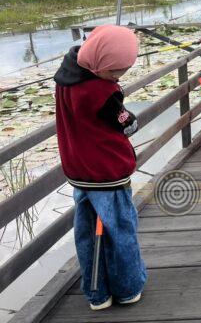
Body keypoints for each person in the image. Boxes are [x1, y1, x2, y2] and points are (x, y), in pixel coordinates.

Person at [54, 25, 146, 310]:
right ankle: (127, 288)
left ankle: (97, 293)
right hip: (107, 173)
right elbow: (125, 124)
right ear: (100, 64)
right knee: (120, 231)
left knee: (87, 234)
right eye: (115, 72)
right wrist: (129, 116)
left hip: (80, 172)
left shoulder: (66, 75)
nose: (118, 77)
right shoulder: (100, 91)